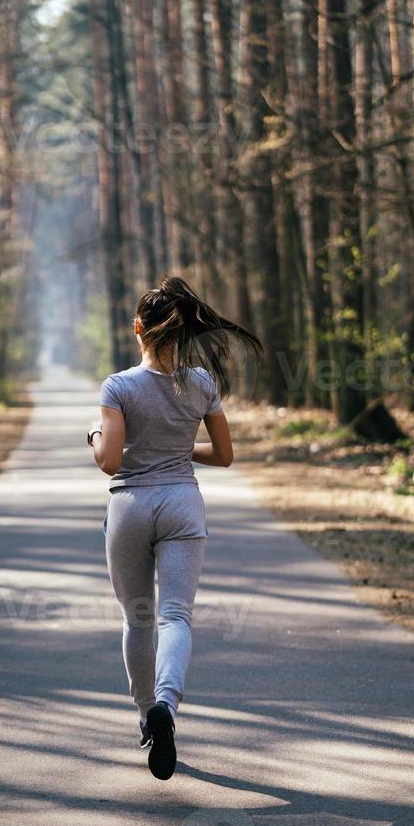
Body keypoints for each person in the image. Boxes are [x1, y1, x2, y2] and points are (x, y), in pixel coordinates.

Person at [87, 274, 263, 780]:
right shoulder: (203, 384)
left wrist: (97, 431)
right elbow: (224, 456)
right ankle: (167, 702)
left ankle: (147, 717)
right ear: (185, 334)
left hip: (131, 506)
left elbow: (110, 461)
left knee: (137, 618)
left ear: (138, 328)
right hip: (183, 504)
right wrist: (177, 449)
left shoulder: (118, 386)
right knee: (176, 618)